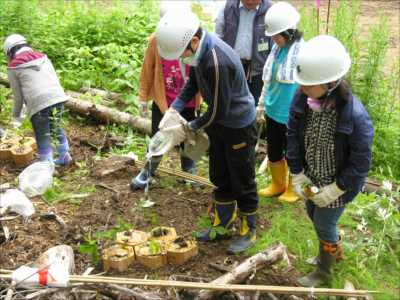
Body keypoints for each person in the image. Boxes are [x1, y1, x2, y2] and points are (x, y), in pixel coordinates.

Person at [156, 10, 258, 254]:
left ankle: (248, 228)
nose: (180, 58)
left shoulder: (215, 60)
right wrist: (175, 108)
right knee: (219, 173)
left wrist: (188, 127)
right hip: (219, 124)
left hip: (238, 125)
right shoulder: (198, 53)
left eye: (181, 53)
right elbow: (193, 84)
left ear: (193, 41)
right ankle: (222, 222)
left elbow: (219, 110)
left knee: (242, 178)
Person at [287, 35, 374, 287]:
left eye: (308, 85)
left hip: (336, 183)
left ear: (331, 82)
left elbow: (360, 162)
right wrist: (296, 171)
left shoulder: (355, 117)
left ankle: (325, 271)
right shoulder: (303, 98)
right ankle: (333, 250)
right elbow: (292, 133)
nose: (302, 89)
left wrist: (338, 188)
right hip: (311, 175)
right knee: (313, 214)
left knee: (325, 224)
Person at [130, 2, 202, 190]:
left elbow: (203, 71)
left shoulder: (195, 40)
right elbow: (148, 68)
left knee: (189, 138)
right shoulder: (156, 39)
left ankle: (189, 172)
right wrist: (143, 97)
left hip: (189, 101)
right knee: (158, 137)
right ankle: (148, 172)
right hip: (164, 102)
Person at [257, 2, 303, 202]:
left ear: (290, 32)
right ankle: (278, 184)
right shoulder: (276, 50)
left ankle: (293, 189)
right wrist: (261, 105)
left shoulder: (303, 52)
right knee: (274, 150)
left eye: (277, 35)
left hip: (293, 114)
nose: (274, 39)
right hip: (273, 110)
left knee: (293, 152)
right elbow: (268, 80)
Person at [4, 34, 72, 166]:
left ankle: (47, 167)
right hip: (57, 98)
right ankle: (64, 156)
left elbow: (18, 98)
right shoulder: (44, 57)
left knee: (42, 136)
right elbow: (54, 79)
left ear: (11, 51)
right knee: (56, 126)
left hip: (38, 104)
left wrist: (16, 117)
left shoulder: (13, 67)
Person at [215, 0, 272, 107]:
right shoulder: (227, 7)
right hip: (230, 70)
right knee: (229, 106)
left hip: (257, 73)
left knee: (253, 108)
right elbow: (218, 38)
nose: (250, 1)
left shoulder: (271, 11)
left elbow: (275, 47)